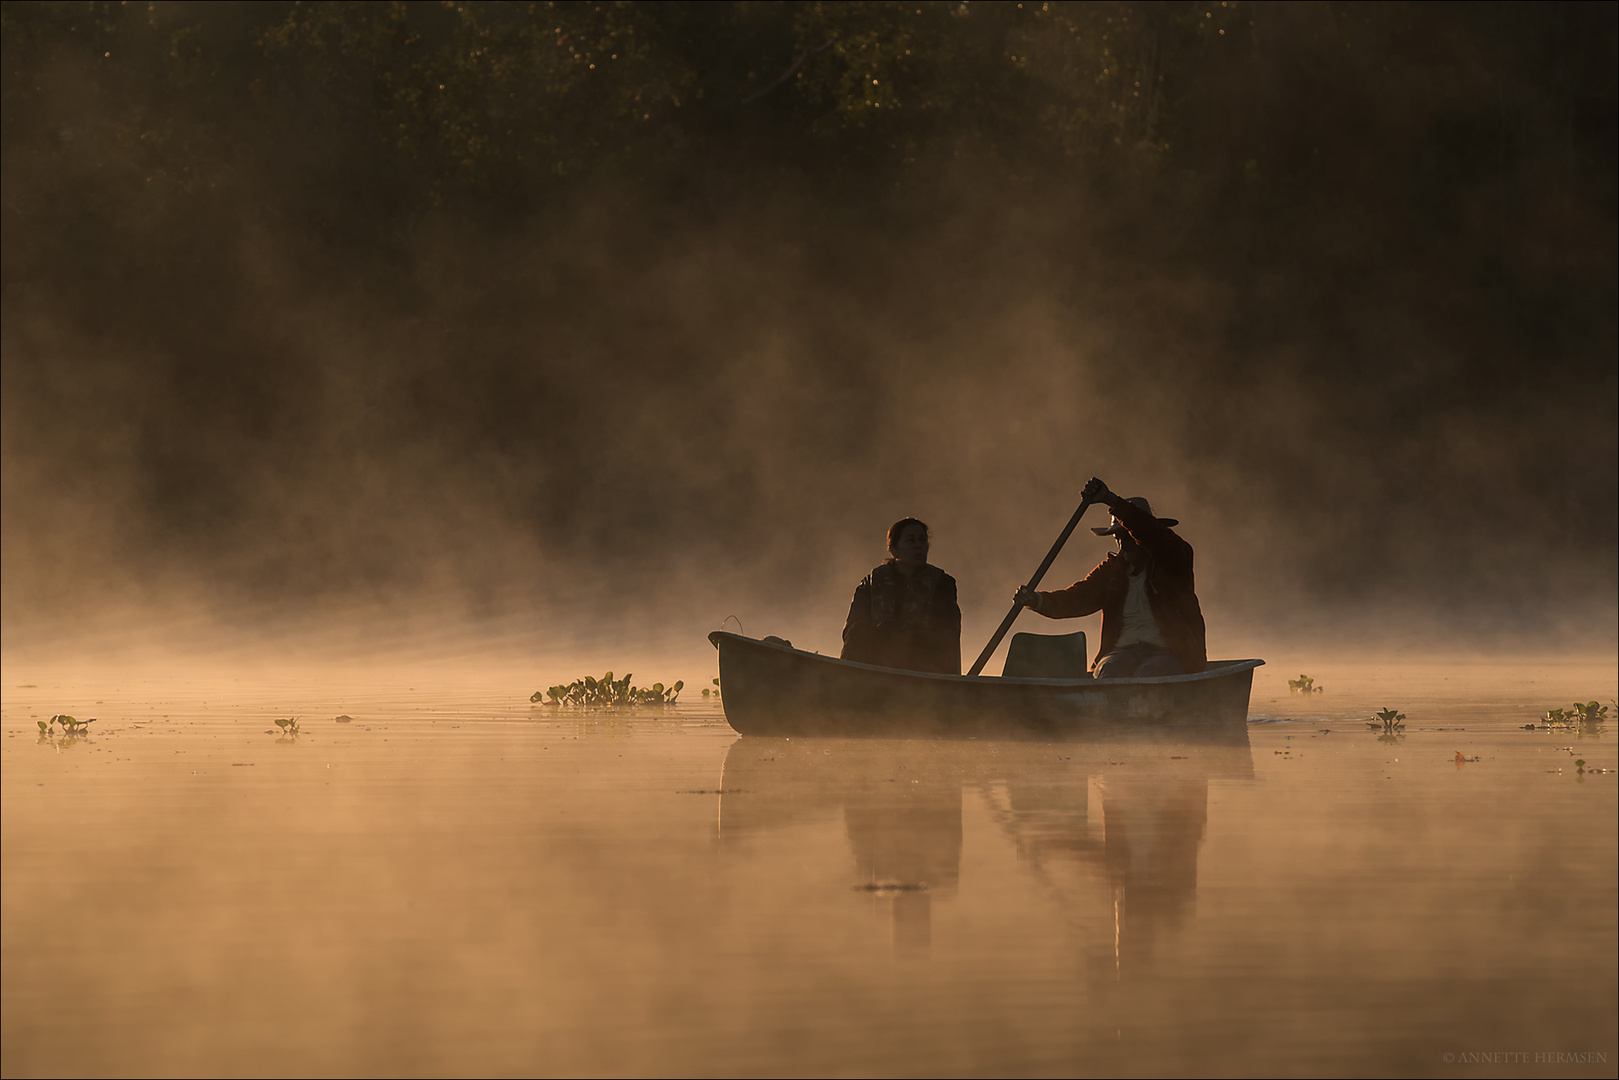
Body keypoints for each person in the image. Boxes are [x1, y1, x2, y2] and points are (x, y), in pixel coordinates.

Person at [1014, 478, 1206, 678]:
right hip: (1122, 653)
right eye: (1118, 539)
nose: (1123, 545)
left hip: (1171, 655)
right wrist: (1036, 600)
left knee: (1148, 674)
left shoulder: (1174, 558)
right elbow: (1076, 598)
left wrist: (1110, 500)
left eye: (1128, 537)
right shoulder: (1113, 571)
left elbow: (1151, 532)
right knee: (1109, 672)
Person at [842, 518, 962, 674]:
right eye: (910, 540)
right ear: (894, 549)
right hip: (877, 662)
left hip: (924, 667)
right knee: (857, 631)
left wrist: (908, 640)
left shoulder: (942, 583)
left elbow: (947, 634)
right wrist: (883, 634)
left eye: (922, 540)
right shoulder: (871, 583)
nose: (918, 545)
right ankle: (847, 679)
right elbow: (852, 628)